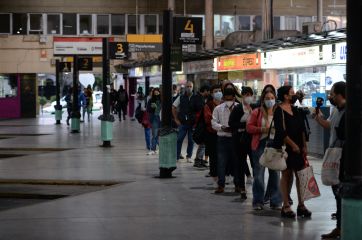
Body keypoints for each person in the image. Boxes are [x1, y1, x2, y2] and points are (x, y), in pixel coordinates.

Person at [314, 82, 346, 239]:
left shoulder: (349, 111)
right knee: (336, 189)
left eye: (332, 93)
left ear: (339, 94)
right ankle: (340, 226)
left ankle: (342, 226)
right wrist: (316, 116)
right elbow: (329, 125)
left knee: (341, 190)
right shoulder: (335, 111)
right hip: (334, 154)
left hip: (344, 157)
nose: (330, 96)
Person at [274, 85, 310, 218]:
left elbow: (302, 129)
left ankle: (301, 205)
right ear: (285, 95)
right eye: (291, 93)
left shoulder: (296, 110)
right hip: (286, 147)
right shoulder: (279, 111)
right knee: (287, 175)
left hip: (299, 147)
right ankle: (286, 205)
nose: (294, 94)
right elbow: (281, 132)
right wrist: (292, 145)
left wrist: (304, 146)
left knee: (300, 175)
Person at [247, 89, 282, 210]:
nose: (270, 100)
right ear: (262, 100)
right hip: (260, 144)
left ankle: (275, 201)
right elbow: (249, 128)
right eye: (267, 98)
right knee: (258, 174)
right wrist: (262, 129)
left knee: (275, 174)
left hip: (275, 144)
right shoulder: (257, 112)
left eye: (272, 98)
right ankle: (258, 201)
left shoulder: (279, 112)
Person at [228, 86, 255, 199]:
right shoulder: (238, 108)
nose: (248, 97)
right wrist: (245, 125)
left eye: (250, 95)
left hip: (252, 139)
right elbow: (231, 123)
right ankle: (241, 187)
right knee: (240, 163)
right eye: (246, 95)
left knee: (254, 162)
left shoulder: (253, 108)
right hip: (239, 139)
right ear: (242, 96)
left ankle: (256, 186)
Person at [211, 87, 239, 194]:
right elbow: (213, 123)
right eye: (226, 96)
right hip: (222, 138)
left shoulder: (238, 107)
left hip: (234, 138)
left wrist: (234, 128)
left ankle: (238, 184)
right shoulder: (218, 108)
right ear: (224, 97)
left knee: (236, 162)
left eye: (230, 96)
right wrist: (222, 127)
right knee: (221, 162)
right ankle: (221, 185)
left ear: (234, 97)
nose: (228, 98)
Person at [172, 81, 203, 163]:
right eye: (187, 86)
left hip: (192, 123)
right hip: (182, 123)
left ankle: (189, 156)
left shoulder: (196, 97)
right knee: (179, 139)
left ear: (193, 87)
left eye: (190, 86)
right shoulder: (181, 97)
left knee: (191, 140)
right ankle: (177, 156)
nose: (189, 88)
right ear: (185, 87)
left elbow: (200, 109)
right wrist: (176, 119)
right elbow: (174, 107)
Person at [204, 84, 222, 183]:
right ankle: (214, 174)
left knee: (222, 155)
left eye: (220, 90)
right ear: (211, 93)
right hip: (212, 134)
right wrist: (218, 124)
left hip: (223, 133)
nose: (218, 92)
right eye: (216, 91)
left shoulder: (224, 103)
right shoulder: (208, 105)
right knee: (213, 155)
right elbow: (209, 119)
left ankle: (222, 174)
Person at [193, 85, 210, 168]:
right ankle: (198, 160)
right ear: (205, 90)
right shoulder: (199, 99)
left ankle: (199, 159)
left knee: (203, 143)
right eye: (208, 91)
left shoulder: (200, 98)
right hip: (200, 124)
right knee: (202, 143)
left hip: (200, 123)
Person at [147, 88, 162, 155]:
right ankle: (153, 149)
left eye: (157, 93)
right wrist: (152, 107)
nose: (156, 94)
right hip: (155, 118)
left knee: (159, 135)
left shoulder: (162, 100)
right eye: (155, 93)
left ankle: (160, 148)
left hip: (162, 119)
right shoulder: (151, 100)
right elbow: (148, 109)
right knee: (155, 134)